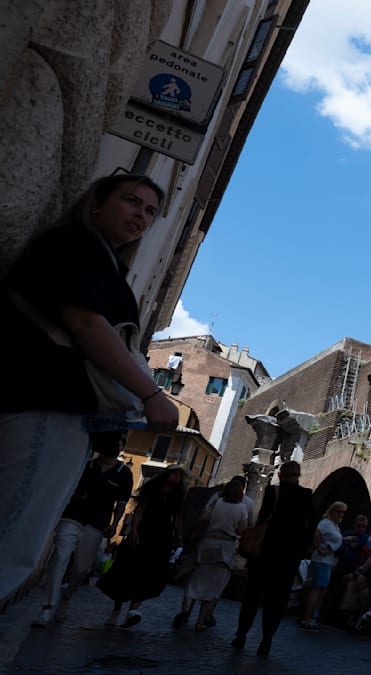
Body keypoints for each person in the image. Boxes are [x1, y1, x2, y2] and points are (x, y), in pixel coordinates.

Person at [0, 174, 178, 605]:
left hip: (46, 404)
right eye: (131, 201)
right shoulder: (77, 244)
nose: (141, 214)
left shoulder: (98, 255)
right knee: (14, 540)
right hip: (45, 402)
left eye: (151, 210)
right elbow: (86, 323)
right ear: (96, 203)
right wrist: (152, 395)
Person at [32, 430, 132, 627]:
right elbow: (67, 486)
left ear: (121, 447)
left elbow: (121, 503)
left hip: (96, 525)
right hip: (72, 518)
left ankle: (67, 595)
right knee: (60, 558)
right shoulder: (85, 466)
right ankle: (48, 607)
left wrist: (114, 524)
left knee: (82, 568)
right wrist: (76, 497)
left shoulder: (124, 474)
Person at [233, 461, 318, 656]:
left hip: (265, 551)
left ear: (281, 475)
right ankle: (267, 637)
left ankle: (242, 634)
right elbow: (312, 524)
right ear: (298, 474)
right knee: (277, 598)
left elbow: (263, 517)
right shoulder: (306, 495)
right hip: (288, 557)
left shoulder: (274, 492)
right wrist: (300, 548)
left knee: (252, 595)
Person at [97, 464, 186, 629]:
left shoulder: (177, 497)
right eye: (174, 473)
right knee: (127, 571)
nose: (176, 477)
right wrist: (133, 532)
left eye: (179, 475)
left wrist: (179, 537)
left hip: (162, 538)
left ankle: (133, 610)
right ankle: (116, 610)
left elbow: (178, 519)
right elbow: (139, 512)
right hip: (144, 534)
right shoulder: (152, 491)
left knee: (149, 574)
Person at [176, 477, 249, 631]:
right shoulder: (242, 508)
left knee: (194, 581)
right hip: (225, 549)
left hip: (206, 544)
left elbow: (203, 518)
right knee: (213, 588)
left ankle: (185, 610)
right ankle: (200, 622)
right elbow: (242, 530)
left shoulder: (216, 502)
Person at [300, 501, 347, 630]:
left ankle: (311, 617)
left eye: (343, 512)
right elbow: (316, 533)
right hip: (322, 560)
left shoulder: (335, 526)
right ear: (332, 511)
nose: (341, 514)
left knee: (319, 589)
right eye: (339, 511)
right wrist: (319, 548)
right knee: (316, 589)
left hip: (328, 561)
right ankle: (307, 618)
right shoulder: (326, 523)